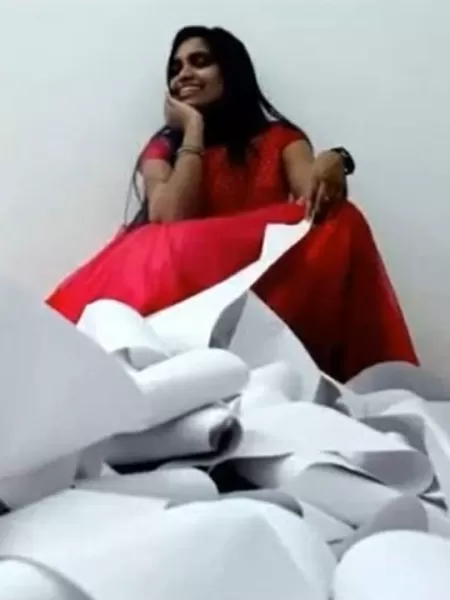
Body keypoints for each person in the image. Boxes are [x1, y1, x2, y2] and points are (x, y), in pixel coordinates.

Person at [47, 26, 418, 381]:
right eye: (175, 69)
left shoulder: (280, 139)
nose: (183, 75)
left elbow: (316, 200)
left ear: (230, 71)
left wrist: (335, 159)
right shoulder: (163, 150)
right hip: (182, 292)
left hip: (259, 288)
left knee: (342, 219)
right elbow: (171, 217)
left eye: (200, 62)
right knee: (156, 240)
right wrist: (193, 129)